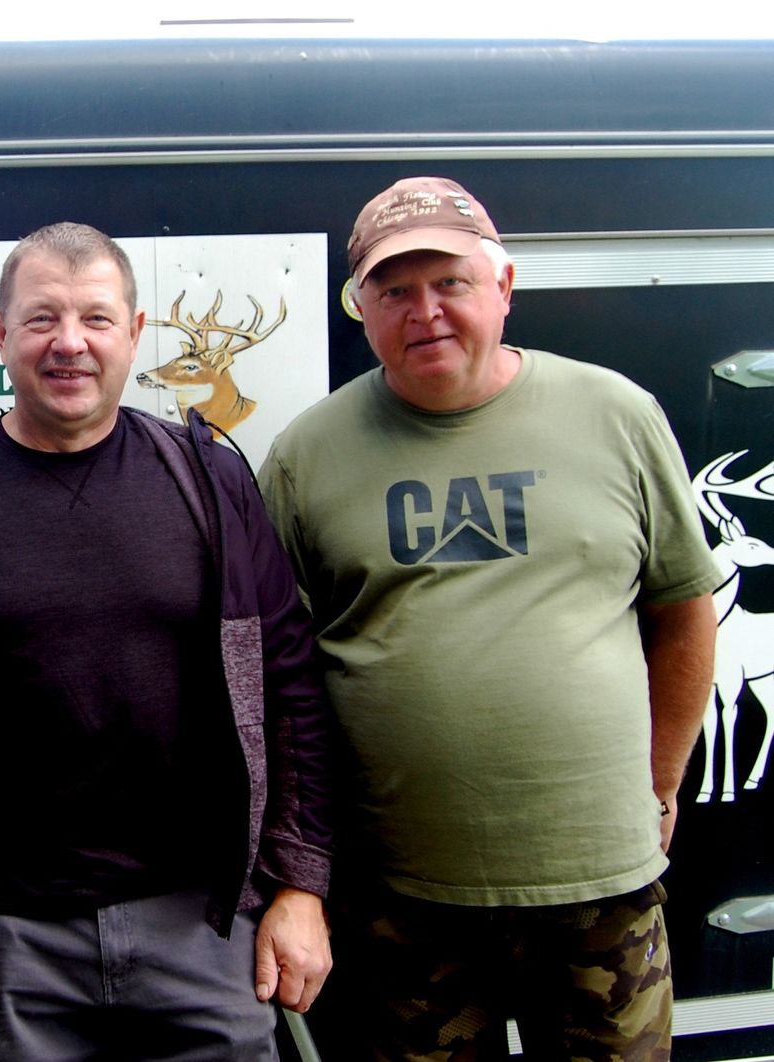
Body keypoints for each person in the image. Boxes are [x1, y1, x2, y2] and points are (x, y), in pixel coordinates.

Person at [0, 222, 334, 1061]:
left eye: (96, 318)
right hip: (0, 947)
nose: (70, 343)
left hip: (205, 933)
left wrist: (301, 884)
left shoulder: (211, 481)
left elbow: (289, 688)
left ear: (134, 333)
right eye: (42, 318)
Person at [259, 176, 719, 1059]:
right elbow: (278, 679)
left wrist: (662, 779)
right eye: (395, 290)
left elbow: (683, 605)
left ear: (503, 287)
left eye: (450, 283)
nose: (425, 312)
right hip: (399, 896)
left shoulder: (617, 415)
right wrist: (301, 870)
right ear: (361, 309)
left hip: (598, 887)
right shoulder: (305, 456)